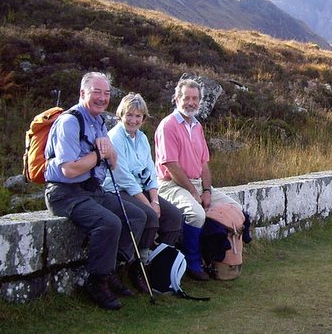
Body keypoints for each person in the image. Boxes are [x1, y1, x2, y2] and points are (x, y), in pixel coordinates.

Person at [43, 72, 151, 309]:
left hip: (93, 190)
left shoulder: (99, 121)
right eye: (97, 92)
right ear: (83, 93)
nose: (102, 98)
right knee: (110, 223)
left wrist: (108, 153)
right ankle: (97, 282)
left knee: (137, 216)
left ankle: (111, 269)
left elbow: (112, 164)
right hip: (65, 193)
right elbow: (70, 170)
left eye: (107, 93)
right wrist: (99, 154)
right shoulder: (70, 122)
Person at [155, 77, 243, 281]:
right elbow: (171, 165)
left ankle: (218, 259)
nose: (191, 103)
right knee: (196, 214)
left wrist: (206, 191)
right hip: (171, 184)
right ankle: (193, 263)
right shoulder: (167, 125)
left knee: (235, 210)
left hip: (196, 183)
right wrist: (195, 194)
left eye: (195, 99)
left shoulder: (197, 126)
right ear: (177, 99)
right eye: (186, 98)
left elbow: (204, 163)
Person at [104, 92, 183, 252]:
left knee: (175, 216)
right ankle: (138, 262)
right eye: (129, 115)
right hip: (118, 190)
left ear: (143, 118)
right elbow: (123, 177)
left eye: (138, 116)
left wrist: (155, 201)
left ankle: (161, 258)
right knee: (149, 215)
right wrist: (148, 205)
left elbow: (150, 172)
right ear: (121, 115)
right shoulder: (115, 137)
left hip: (141, 189)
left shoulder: (142, 138)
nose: (133, 120)